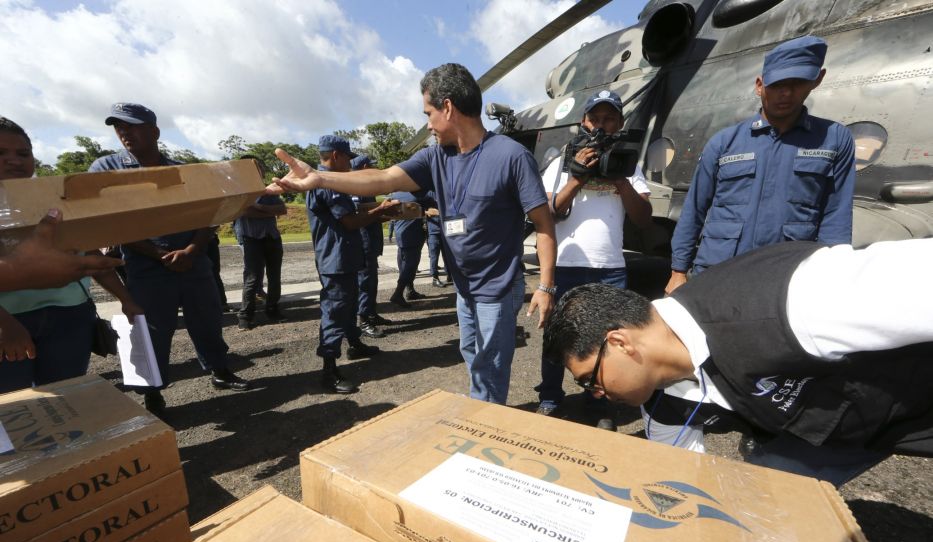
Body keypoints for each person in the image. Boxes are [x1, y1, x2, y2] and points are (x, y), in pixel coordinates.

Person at [267, 63, 557, 405]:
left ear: (447, 107)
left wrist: (545, 285)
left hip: (497, 288)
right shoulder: (435, 157)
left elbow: (544, 224)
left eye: (428, 113)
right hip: (465, 288)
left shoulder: (511, 156)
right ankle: (484, 410)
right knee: (471, 354)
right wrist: (320, 178)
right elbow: (383, 178)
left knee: (490, 365)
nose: (428, 124)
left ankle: (486, 425)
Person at [544, 238, 933, 486]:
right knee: (761, 501)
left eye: (588, 379)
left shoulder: (792, 302)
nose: (595, 393)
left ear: (620, 342)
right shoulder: (662, 403)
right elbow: (680, 482)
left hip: (914, 395)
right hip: (835, 434)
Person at [89, 103, 251, 415]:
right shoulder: (106, 170)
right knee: (151, 333)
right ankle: (152, 394)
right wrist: (159, 254)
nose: (124, 132)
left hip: (194, 262)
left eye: (132, 125)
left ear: (155, 131)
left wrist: (192, 250)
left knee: (208, 322)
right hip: (146, 267)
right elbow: (112, 222)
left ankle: (220, 371)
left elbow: (210, 215)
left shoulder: (183, 171)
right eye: (118, 126)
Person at [665, 35, 855, 295]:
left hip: (786, 277)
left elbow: (836, 215)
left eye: (798, 83)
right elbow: (694, 209)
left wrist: (831, 274)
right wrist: (678, 271)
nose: (786, 93)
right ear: (759, 85)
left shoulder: (834, 139)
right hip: (719, 272)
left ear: (817, 80)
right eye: (777, 84)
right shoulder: (724, 142)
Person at [535, 90, 653, 425]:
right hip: (567, 264)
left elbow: (643, 218)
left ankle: (598, 404)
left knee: (605, 339)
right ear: (584, 122)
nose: (601, 125)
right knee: (557, 335)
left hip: (610, 267)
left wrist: (621, 180)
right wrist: (576, 178)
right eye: (595, 119)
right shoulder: (561, 162)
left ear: (620, 123)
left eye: (609, 119)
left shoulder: (630, 164)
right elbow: (547, 212)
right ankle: (549, 396)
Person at [0, 117, 143, 391]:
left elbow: (89, 254)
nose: (13, 160)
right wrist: (5, 325)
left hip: (70, 316)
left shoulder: (55, 199)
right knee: (13, 406)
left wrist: (126, 299)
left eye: (22, 153)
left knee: (66, 395)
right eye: (0, 153)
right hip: (10, 321)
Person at [305, 135, 398, 394]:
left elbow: (351, 218)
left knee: (348, 305)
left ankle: (355, 344)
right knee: (335, 311)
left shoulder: (331, 181)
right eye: (348, 156)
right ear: (336, 155)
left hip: (343, 256)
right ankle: (329, 370)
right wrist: (380, 212)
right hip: (336, 259)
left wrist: (378, 214)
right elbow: (348, 222)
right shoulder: (327, 183)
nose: (351, 162)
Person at [233, 155, 287, 330]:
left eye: (259, 168)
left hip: (271, 237)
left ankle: (272, 308)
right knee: (252, 278)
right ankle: (245, 315)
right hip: (251, 239)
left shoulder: (268, 191)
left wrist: (260, 207)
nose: (259, 171)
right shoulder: (239, 192)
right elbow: (246, 212)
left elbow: (282, 209)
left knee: (274, 276)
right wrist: (267, 211)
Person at [350, 155, 392, 338]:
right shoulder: (355, 186)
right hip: (363, 242)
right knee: (365, 282)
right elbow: (359, 215)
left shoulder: (366, 187)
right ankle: (364, 320)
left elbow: (371, 214)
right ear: (365, 166)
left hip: (371, 241)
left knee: (372, 281)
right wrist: (380, 211)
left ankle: (371, 314)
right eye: (373, 167)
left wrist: (390, 214)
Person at [387, 191, 435, 307]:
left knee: (403, 264)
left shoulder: (395, 195)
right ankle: (398, 294)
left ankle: (410, 290)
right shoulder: (420, 195)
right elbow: (434, 204)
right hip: (412, 235)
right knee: (410, 266)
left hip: (400, 234)